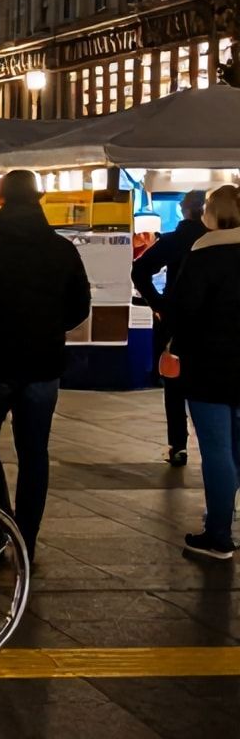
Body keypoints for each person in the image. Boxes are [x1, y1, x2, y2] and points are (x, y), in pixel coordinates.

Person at [0, 170, 91, 560]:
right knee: (34, 452)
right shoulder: (61, 250)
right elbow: (80, 306)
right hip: (43, 365)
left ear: (1, 199)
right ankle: (25, 538)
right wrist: (48, 329)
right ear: (39, 199)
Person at [165, 184, 240, 559]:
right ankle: (223, 516)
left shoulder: (203, 255)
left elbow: (182, 313)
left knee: (216, 450)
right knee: (236, 450)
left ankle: (219, 534)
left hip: (210, 368)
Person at [132, 191, 208, 466]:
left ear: (183, 209)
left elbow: (139, 271)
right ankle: (214, 442)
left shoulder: (177, 239)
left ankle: (178, 445)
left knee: (174, 384)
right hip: (215, 324)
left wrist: (160, 304)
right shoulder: (220, 241)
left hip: (176, 322)